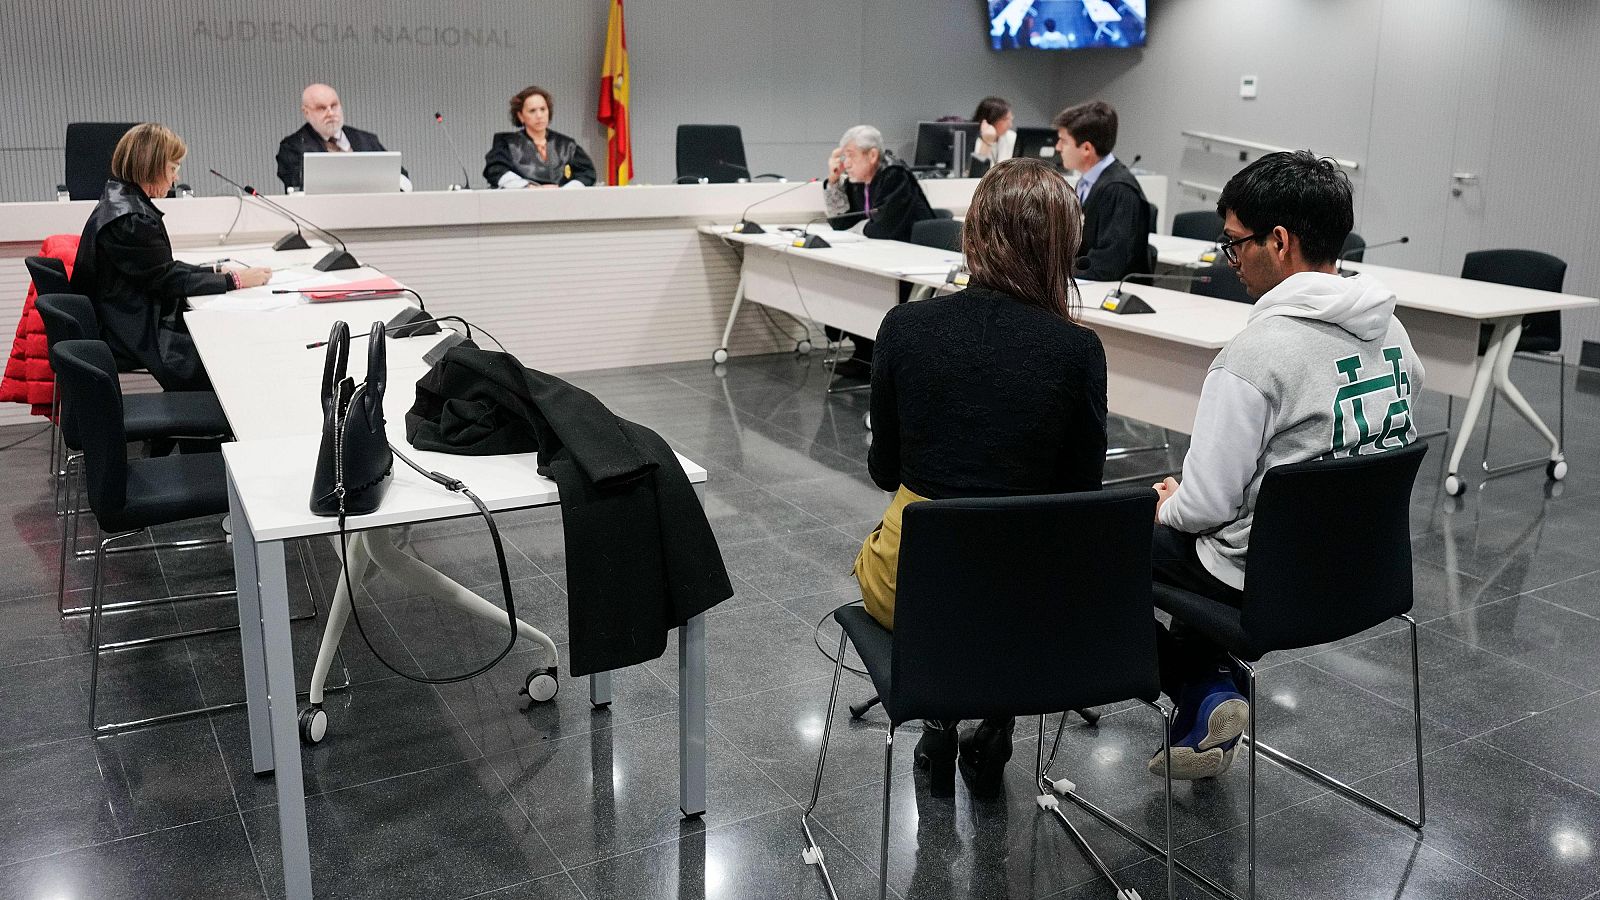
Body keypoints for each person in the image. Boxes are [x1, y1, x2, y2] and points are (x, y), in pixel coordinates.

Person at [1146, 151, 1424, 781]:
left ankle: (1204, 686)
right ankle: (1205, 699)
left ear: (1280, 241)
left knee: (1109, 540)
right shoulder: (1396, 334)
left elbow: (1206, 507)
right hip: (1363, 572)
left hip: (1267, 582)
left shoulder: (1254, 356)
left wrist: (1169, 501)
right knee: (1216, 524)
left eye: (1235, 243)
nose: (1230, 259)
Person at [854, 158, 1108, 798]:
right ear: (1062, 245)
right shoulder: (1077, 351)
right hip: (1026, 598)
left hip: (912, 587)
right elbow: (1080, 498)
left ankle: (939, 712)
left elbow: (885, 471)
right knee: (1014, 555)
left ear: (973, 235)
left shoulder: (903, 328)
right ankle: (995, 720)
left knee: (939, 547)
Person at [71, 124, 271, 391]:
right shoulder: (132, 219)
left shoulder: (121, 201)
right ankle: (215, 422)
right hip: (129, 329)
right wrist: (234, 280)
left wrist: (214, 272)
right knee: (225, 348)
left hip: (123, 316)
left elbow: (159, 270)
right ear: (151, 166)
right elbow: (165, 280)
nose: (176, 178)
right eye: (173, 168)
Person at [822, 125, 935, 377]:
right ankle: (864, 355)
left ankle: (881, 360)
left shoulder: (894, 175)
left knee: (860, 286)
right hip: (884, 258)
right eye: (843, 157)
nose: (846, 163)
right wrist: (833, 182)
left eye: (850, 155)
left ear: (872, 155)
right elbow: (841, 222)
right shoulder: (859, 181)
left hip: (915, 264)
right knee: (845, 282)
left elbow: (881, 228)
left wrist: (859, 227)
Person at [1054, 100, 1151, 282]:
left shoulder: (1119, 190)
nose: (1058, 147)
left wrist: (1057, 272)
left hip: (1113, 291)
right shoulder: (1086, 182)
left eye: (1063, 141)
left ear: (1086, 149)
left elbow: (1108, 263)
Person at [276, 83, 410, 192]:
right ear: (306, 112)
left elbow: (399, 175)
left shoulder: (367, 140)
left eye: (334, 106)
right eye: (321, 108)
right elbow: (297, 187)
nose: (330, 113)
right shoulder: (292, 148)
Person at [484, 86, 598, 189]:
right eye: (532, 111)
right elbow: (495, 171)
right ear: (520, 116)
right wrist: (528, 187)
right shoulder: (506, 143)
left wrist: (563, 190)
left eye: (543, 109)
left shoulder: (567, 145)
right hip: (521, 203)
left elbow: (587, 173)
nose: (539, 116)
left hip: (562, 204)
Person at [967, 96, 1015, 178]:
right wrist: (987, 142)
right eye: (1006, 119)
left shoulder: (1011, 137)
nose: (1010, 125)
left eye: (1011, 119)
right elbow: (977, 174)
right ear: (991, 119)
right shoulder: (971, 140)